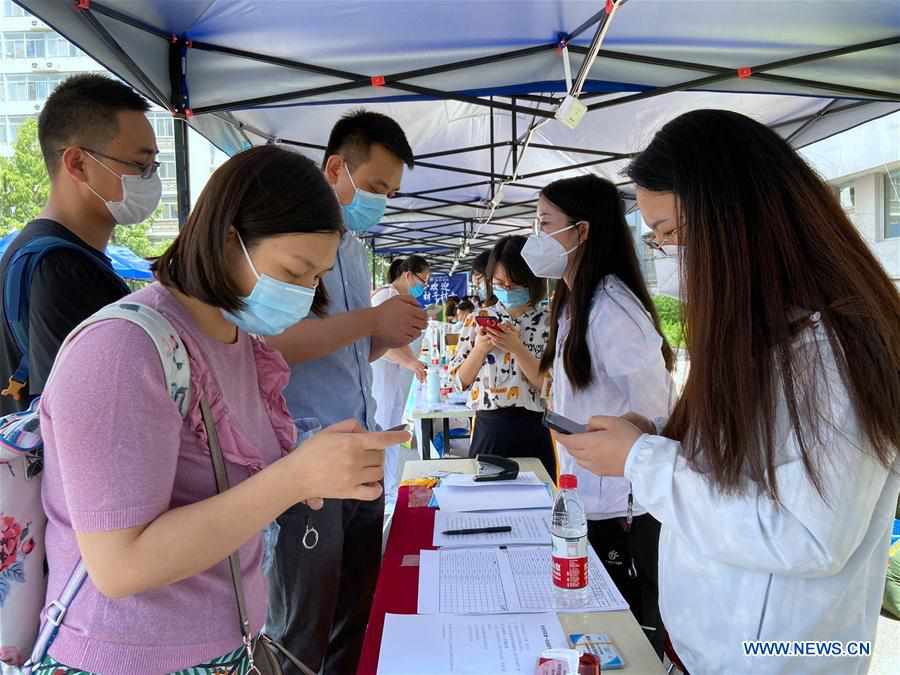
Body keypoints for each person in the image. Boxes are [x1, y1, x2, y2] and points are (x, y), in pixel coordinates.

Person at [34, 145, 408, 675]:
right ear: (229, 237)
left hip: (223, 648)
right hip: (128, 660)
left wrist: (313, 467)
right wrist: (294, 477)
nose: (304, 295)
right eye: (294, 271)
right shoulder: (122, 349)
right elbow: (119, 565)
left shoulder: (237, 340)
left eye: (316, 278)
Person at [562, 110, 900, 675]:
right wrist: (661, 445)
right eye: (658, 239)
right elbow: (741, 477)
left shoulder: (831, 350)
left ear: (734, 219)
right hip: (711, 650)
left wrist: (642, 460)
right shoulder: (761, 336)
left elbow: (807, 535)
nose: (668, 257)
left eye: (672, 234)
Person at [265, 110, 423, 675]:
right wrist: (367, 322)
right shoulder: (285, 238)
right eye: (376, 187)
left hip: (361, 449)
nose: (382, 201)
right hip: (306, 455)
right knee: (303, 625)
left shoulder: (353, 248)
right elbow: (277, 344)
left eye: (391, 192)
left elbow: (349, 355)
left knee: (359, 608)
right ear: (336, 167)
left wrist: (380, 336)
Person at [525, 174, 674, 655]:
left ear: (583, 231)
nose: (537, 235)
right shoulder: (574, 301)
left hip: (620, 508)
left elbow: (657, 406)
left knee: (621, 642)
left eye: (546, 223)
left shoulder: (611, 306)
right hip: (587, 497)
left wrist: (623, 436)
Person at [0, 74, 161, 416]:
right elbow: (90, 416)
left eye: (153, 166)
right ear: (77, 163)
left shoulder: (30, 251)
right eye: (140, 165)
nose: (151, 179)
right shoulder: (61, 269)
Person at [449, 235, 556, 477]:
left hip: (534, 426)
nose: (507, 289)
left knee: (535, 506)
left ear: (532, 280)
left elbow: (550, 386)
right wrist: (479, 349)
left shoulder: (548, 323)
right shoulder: (477, 319)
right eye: (499, 281)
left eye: (515, 283)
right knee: (486, 506)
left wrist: (517, 349)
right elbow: (458, 382)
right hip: (489, 427)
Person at [371, 255, 431, 507]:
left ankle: (391, 490)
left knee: (393, 430)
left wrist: (413, 362)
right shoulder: (385, 298)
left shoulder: (401, 300)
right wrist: (410, 362)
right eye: (422, 281)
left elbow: (400, 342)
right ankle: (383, 492)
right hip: (380, 379)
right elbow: (379, 341)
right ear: (408, 275)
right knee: (384, 432)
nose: (423, 287)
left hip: (392, 380)